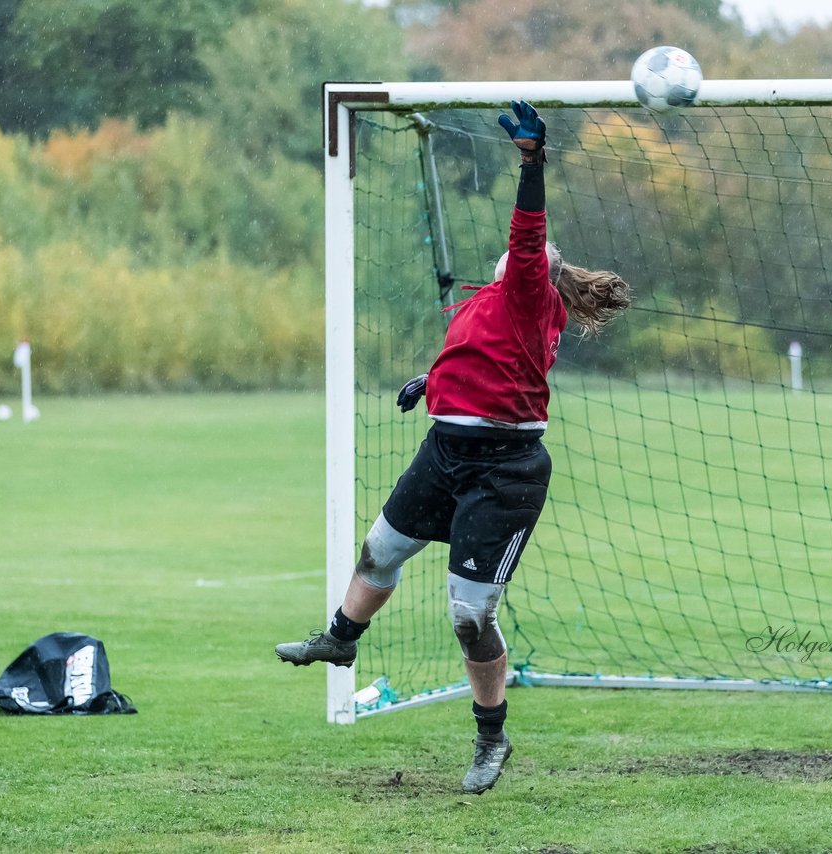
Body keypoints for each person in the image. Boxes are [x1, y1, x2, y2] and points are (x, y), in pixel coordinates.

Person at [276, 100, 631, 794]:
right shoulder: (487, 301)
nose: (520, 256)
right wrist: (428, 379)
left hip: (505, 472)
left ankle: (490, 738)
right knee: (380, 550)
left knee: (470, 617)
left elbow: (528, 234)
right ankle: (339, 641)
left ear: (536, 269)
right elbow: (480, 356)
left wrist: (533, 163)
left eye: (530, 257)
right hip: (446, 450)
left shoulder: (528, 294)